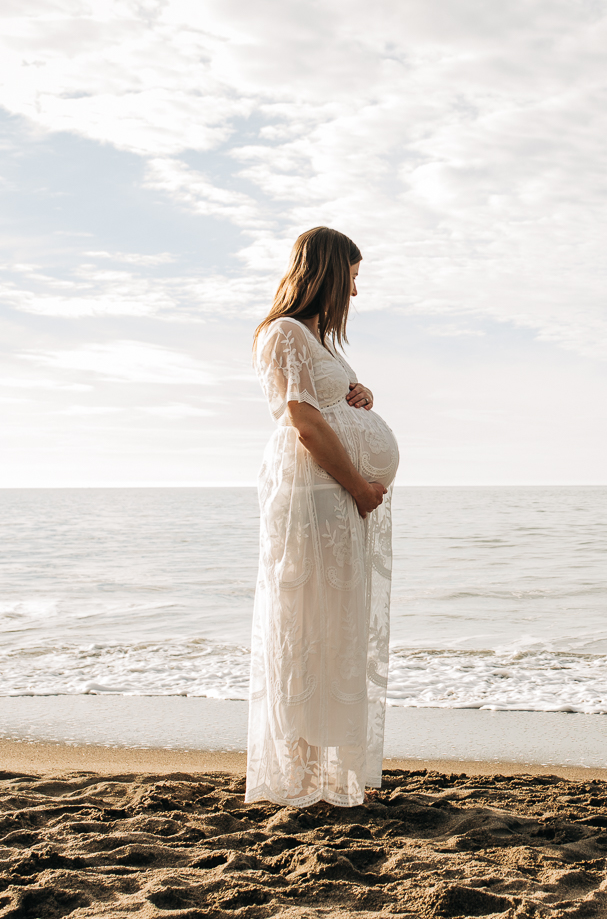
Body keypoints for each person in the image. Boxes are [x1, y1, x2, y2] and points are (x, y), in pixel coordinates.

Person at [246, 226, 399, 806]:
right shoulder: (284, 332)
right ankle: (300, 774)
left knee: (335, 627)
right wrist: (359, 485)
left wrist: (358, 393)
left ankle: (330, 771)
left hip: (335, 496)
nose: (354, 294)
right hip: (315, 493)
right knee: (306, 625)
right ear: (331, 273)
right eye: (353, 279)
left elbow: (328, 402)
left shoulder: (316, 339)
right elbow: (306, 424)